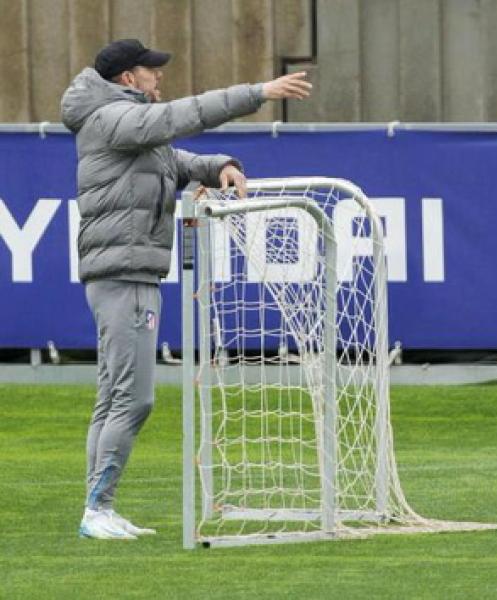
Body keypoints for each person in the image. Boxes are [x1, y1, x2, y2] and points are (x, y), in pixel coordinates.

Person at [60, 39, 312, 540]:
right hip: (124, 275)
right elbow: (183, 116)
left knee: (115, 396)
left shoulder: (125, 123)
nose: (159, 79)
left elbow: (174, 159)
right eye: (151, 72)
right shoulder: (114, 119)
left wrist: (217, 165)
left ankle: (98, 507)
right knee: (134, 400)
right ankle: (97, 509)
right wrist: (258, 92)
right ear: (128, 79)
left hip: (128, 273)